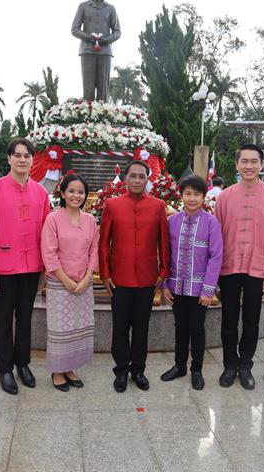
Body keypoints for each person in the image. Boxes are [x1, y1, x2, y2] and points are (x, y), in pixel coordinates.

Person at [0, 139, 50, 395]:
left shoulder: (41, 193)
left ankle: (23, 364)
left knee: (25, 319)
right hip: (3, 267)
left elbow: (46, 233)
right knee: (2, 320)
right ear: (9, 159)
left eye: (27, 155)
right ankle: (5, 368)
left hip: (31, 267)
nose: (22, 160)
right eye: (17, 155)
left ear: (33, 160)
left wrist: (44, 269)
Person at [215, 143, 264, 390]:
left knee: (252, 320)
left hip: (258, 268)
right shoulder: (223, 197)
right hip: (229, 267)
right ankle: (229, 365)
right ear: (236, 164)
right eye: (244, 161)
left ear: (261, 164)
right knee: (229, 320)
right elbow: (217, 238)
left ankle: (245, 365)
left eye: (254, 161)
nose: (249, 166)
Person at [100, 160, 170, 393]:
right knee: (120, 328)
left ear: (147, 179)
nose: (138, 180)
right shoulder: (112, 205)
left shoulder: (158, 205)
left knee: (141, 328)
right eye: (133, 176)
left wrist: (163, 271)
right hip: (119, 279)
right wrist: (105, 274)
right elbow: (103, 244)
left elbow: (164, 242)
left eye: (142, 176)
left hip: (147, 278)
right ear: (125, 178)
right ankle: (121, 371)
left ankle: (138, 370)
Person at [160, 175, 222, 390]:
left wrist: (208, 289)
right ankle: (179, 366)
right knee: (180, 328)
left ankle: (196, 369)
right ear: (181, 195)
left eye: (197, 194)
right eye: (188, 193)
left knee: (197, 329)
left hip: (199, 291)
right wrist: (164, 285)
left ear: (204, 197)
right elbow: (165, 254)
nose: (192, 198)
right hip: (176, 287)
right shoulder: (172, 221)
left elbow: (216, 256)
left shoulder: (211, 222)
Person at [41, 174, 98, 392]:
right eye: (72, 191)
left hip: (83, 285)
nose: (76, 195)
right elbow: (49, 253)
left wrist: (86, 279)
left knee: (78, 327)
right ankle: (58, 371)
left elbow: (94, 251)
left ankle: (71, 367)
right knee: (60, 328)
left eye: (81, 192)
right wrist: (65, 280)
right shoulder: (53, 219)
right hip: (59, 284)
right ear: (63, 193)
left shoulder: (90, 220)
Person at [71, 0, 121, 101]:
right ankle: (88, 115)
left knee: (103, 88)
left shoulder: (111, 8)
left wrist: (106, 40)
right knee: (88, 87)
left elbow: (117, 32)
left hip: (105, 51)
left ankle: (103, 115)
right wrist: (87, 37)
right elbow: (74, 29)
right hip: (87, 50)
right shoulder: (83, 6)